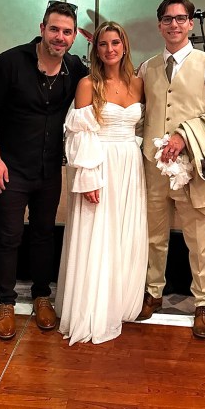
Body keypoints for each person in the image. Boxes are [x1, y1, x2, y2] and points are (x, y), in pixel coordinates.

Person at [0, 0, 88, 340]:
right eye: (54, 29)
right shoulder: (9, 63)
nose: (60, 37)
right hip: (10, 167)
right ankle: (5, 302)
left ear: (74, 36)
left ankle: (42, 295)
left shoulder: (74, 68)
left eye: (67, 32)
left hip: (49, 169)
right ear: (42, 28)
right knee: (9, 236)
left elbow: (104, 84)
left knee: (44, 233)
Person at [137, 0, 205, 338]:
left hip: (193, 169)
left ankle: (203, 302)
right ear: (159, 25)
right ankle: (153, 292)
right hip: (153, 169)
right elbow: (140, 115)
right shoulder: (147, 68)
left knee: (199, 238)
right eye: (167, 19)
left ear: (191, 24)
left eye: (180, 18)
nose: (174, 25)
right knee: (153, 236)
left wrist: (184, 134)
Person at [55, 21, 148, 344]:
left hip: (130, 166)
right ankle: (93, 307)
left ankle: (119, 302)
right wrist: (88, 177)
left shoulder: (139, 83)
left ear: (124, 46)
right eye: (103, 44)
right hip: (99, 164)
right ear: (95, 49)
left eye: (115, 42)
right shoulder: (87, 84)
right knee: (97, 233)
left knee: (124, 232)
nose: (110, 49)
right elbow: (78, 135)